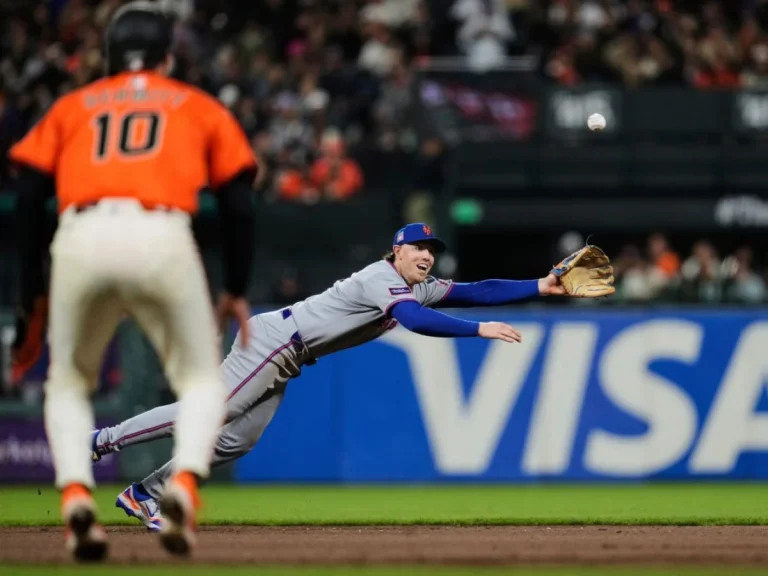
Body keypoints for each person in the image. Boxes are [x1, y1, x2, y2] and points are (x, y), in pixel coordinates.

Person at [92, 222, 593, 532]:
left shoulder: (418, 286)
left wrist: (541, 285)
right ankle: (101, 440)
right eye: (417, 248)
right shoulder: (382, 278)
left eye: (431, 250)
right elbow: (418, 322)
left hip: (288, 354)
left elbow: (479, 289)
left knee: (235, 440)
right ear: (395, 252)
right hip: (274, 343)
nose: (426, 255)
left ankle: (145, 494)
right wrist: (479, 330)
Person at [8, 2, 257, 562]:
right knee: (198, 381)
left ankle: (75, 495)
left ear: (107, 60)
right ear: (168, 59)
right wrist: (236, 287)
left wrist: (34, 294)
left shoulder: (72, 106)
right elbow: (239, 201)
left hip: (79, 232)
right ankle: (183, 487)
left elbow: (26, 195)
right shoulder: (196, 105)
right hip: (162, 233)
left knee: (70, 383)